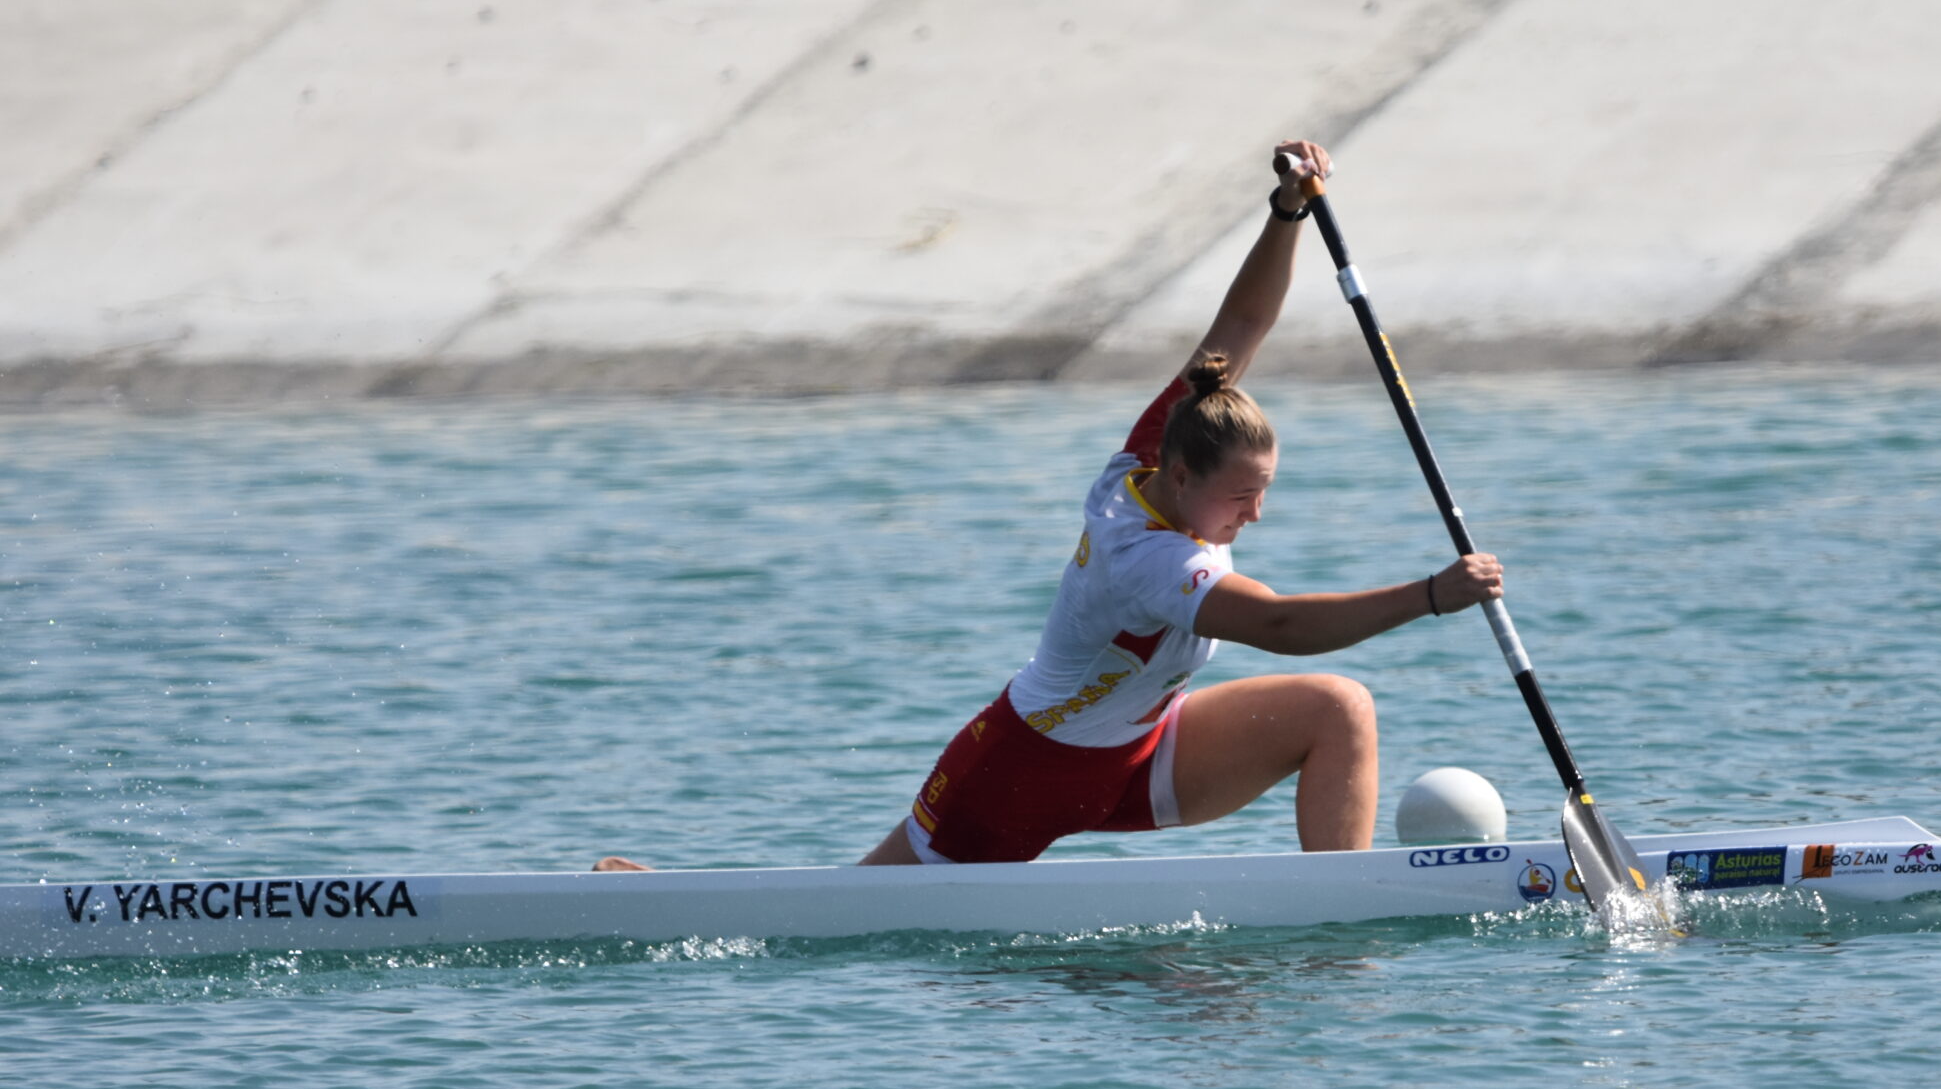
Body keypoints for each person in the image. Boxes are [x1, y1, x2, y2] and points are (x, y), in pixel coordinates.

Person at [595, 140, 1500, 873]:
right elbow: (1286, 626)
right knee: (858, 913)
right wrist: (1430, 594)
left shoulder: (1160, 448)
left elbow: (1240, 329)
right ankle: (662, 895)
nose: (1253, 518)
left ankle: (1337, 913)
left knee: (1336, 709)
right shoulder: (1149, 555)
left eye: (1264, 496)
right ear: (1182, 480)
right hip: (1018, 771)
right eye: (1242, 499)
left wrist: (1287, 213)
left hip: (1138, 753)